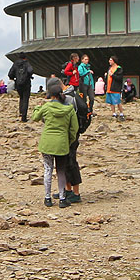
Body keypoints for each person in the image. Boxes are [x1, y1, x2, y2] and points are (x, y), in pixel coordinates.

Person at [34, 77, 78, 208]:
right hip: (62, 143)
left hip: (47, 143)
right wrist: (69, 140)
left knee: (48, 169)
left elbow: (35, 117)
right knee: (61, 171)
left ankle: (47, 198)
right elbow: (74, 128)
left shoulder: (46, 107)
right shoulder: (69, 109)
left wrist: (37, 107)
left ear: (50, 95)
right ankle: (62, 198)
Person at [8, 54, 33, 122]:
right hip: (26, 84)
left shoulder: (15, 64)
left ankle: (21, 113)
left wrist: (14, 77)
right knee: (25, 99)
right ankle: (24, 117)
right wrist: (28, 76)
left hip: (18, 84)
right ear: (25, 58)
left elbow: (10, 74)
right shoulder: (27, 63)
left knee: (21, 98)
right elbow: (30, 70)